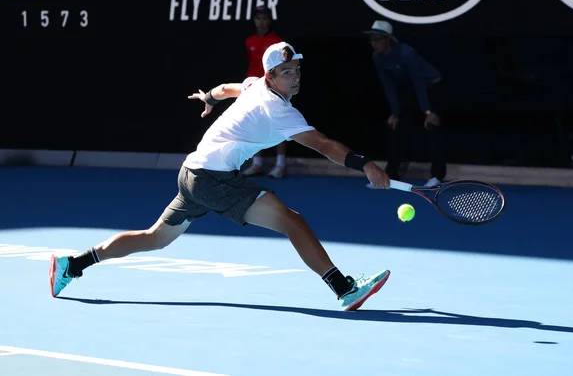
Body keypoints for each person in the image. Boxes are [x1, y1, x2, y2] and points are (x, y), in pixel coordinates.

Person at [49, 41, 391, 312]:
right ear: (271, 76)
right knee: (293, 221)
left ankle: (71, 265)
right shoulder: (278, 110)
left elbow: (229, 88)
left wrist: (209, 98)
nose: (295, 76)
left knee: (155, 238)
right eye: (287, 72)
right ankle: (344, 289)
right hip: (213, 178)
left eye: (297, 70)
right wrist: (365, 164)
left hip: (191, 173)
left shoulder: (257, 85)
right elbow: (324, 144)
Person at [364, 20, 447, 188]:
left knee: (431, 126)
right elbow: (389, 86)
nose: (374, 43)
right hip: (409, 89)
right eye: (372, 40)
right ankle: (390, 176)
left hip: (431, 86)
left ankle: (437, 176)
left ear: (387, 39)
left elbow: (418, 82)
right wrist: (395, 112)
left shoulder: (406, 54)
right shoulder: (377, 57)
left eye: (377, 39)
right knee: (395, 126)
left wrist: (427, 111)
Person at [242, 5, 287, 178]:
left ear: (270, 21)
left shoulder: (277, 42)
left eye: (265, 18)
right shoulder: (249, 41)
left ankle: (280, 165)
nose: (262, 22)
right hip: (253, 86)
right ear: (254, 20)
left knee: (278, 124)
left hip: (273, 85)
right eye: (258, 18)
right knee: (255, 123)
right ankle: (257, 164)